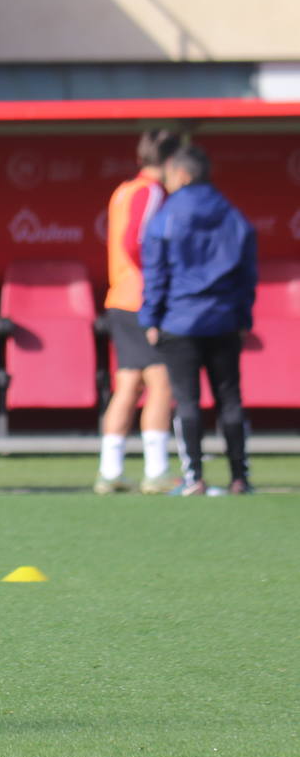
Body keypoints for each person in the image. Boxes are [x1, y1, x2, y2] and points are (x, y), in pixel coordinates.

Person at [140, 143, 257, 496]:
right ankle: (240, 478)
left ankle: (195, 479)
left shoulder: (167, 216)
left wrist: (151, 318)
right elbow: (247, 276)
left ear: (182, 174)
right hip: (224, 321)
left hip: (179, 322)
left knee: (186, 401)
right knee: (231, 400)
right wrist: (243, 316)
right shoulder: (233, 215)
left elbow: (156, 273)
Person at [96, 129, 179, 495]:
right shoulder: (151, 191)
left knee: (128, 384)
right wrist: (158, 285)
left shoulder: (124, 190)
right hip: (143, 300)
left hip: (120, 297)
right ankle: (156, 470)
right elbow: (136, 242)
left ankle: (110, 470)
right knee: (162, 383)